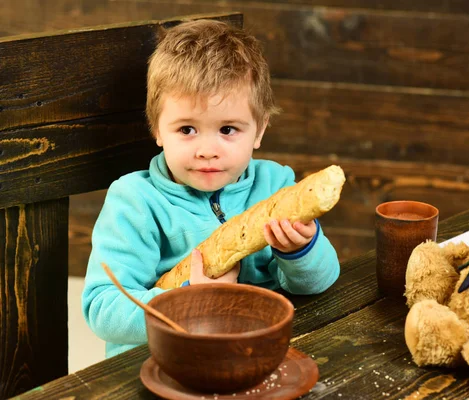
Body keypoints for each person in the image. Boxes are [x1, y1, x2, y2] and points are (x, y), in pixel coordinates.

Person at [82, 19, 340, 358]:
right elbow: (103, 309)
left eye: (228, 129)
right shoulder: (135, 202)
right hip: (161, 362)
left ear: (259, 131)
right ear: (157, 129)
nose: (207, 149)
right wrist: (189, 301)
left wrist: (299, 252)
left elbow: (321, 283)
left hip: (253, 356)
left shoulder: (275, 187)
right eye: (187, 129)